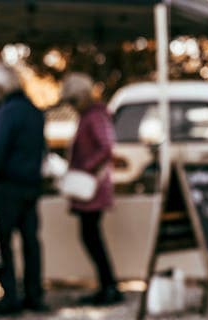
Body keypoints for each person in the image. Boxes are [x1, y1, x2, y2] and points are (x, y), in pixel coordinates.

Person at [0, 63, 48, 317]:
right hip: (31, 185)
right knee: (31, 242)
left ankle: (10, 297)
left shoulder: (8, 113)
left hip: (8, 186)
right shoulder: (34, 112)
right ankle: (33, 294)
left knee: (3, 242)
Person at [59, 73, 123, 306]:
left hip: (92, 188)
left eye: (73, 102)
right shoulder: (91, 116)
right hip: (90, 186)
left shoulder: (95, 116)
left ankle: (109, 285)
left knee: (91, 236)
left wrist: (84, 168)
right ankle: (107, 285)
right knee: (91, 236)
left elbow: (106, 147)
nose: (71, 107)